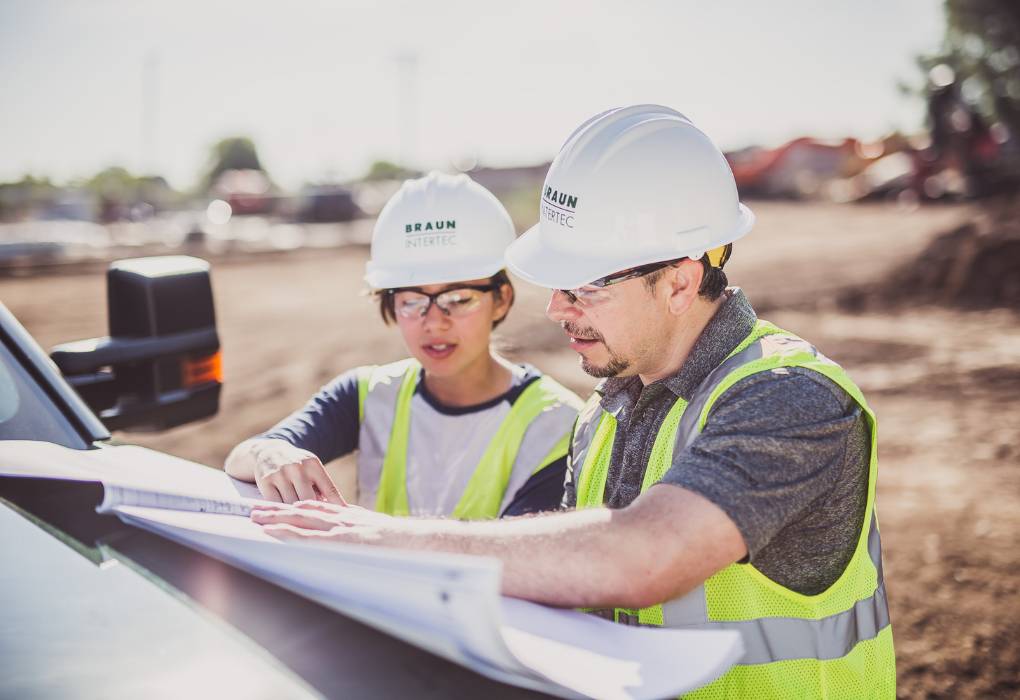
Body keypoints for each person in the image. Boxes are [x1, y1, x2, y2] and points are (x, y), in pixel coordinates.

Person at [250, 106, 896, 697]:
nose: (556, 309)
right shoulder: (607, 409)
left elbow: (645, 555)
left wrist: (384, 538)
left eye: (583, 287)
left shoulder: (789, 398)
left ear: (678, 282)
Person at [227, 171, 582, 519]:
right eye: (412, 300)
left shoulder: (556, 423)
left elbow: (516, 560)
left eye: (458, 298)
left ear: (501, 299)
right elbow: (244, 455)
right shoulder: (366, 395)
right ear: (390, 304)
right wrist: (269, 452)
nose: (434, 322)